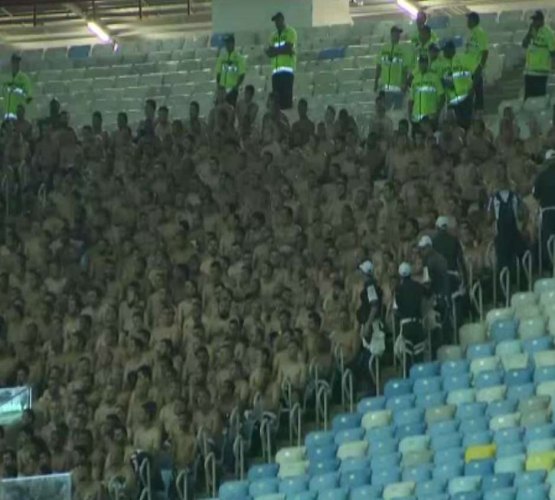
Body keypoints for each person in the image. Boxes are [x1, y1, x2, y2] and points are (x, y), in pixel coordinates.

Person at [488, 169, 526, 283]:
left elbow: (489, 218)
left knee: (504, 263)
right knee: (520, 258)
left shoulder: (493, 199)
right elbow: (521, 214)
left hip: (504, 234)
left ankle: (506, 289)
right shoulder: (514, 196)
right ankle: (522, 284)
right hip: (512, 233)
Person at [394, 262, 427, 375]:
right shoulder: (418, 286)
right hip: (418, 324)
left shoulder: (398, 289)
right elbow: (427, 297)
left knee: (407, 358)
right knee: (419, 358)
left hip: (406, 325)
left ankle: (408, 381)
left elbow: (395, 310)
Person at [418, 235, 450, 350]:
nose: (421, 252)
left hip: (435, 297)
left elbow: (427, 282)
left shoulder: (428, 261)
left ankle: (438, 348)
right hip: (445, 294)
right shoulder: (441, 258)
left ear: (429, 247)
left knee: (435, 325)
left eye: (423, 249)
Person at [266, 12, 297, 110]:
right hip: (275, 72)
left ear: (282, 19)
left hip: (287, 71)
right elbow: (270, 53)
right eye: (275, 21)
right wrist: (282, 50)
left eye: (278, 20)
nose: (276, 23)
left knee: (286, 102)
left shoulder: (290, 32)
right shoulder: (272, 36)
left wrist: (276, 51)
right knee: (277, 103)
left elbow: (288, 48)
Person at [441, 40, 475, 130]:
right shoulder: (443, 64)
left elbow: (473, 75)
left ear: (451, 50)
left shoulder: (463, 59)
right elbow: (444, 80)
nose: (443, 52)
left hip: (465, 98)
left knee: (466, 124)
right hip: (452, 100)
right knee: (454, 126)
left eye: (445, 50)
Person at [522, 10, 555, 99]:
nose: (534, 22)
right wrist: (529, 33)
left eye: (536, 20)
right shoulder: (531, 31)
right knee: (528, 99)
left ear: (542, 20)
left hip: (541, 72)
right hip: (529, 71)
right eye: (533, 20)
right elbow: (524, 44)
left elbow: (553, 52)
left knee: (539, 99)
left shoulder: (548, 33)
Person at [375, 26, 409, 109]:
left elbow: (405, 69)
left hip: (398, 87)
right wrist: (375, 81)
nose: (397, 36)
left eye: (398, 34)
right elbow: (379, 65)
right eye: (396, 33)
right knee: (385, 109)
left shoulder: (403, 50)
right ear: (391, 34)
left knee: (397, 111)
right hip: (385, 87)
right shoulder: (383, 49)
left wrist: (404, 84)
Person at [409, 56, 444, 133]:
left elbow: (442, 96)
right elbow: (411, 99)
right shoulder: (415, 79)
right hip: (416, 118)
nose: (422, 65)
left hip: (430, 118)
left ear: (427, 64)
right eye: (421, 63)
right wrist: (409, 115)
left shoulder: (435, 78)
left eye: (424, 63)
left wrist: (437, 113)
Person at [533, 150, 555, 270]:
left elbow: (536, 195)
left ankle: (549, 267)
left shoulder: (541, 176)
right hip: (548, 210)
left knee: (547, 240)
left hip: (547, 212)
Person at [465, 12, 489, 111]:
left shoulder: (480, 33)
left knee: (477, 94)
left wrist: (480, 67)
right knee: (471, 94)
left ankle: (479, 115)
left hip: (476, 68)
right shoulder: (471, 34)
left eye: (468, 19)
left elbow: (485, 51)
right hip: (469, 68)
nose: (467, 22)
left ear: (473, 20)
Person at [215, 35, 246, 107]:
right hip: (222, 89)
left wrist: (236, 87)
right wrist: (219, 85)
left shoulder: (239, 58)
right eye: (226, 43)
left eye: (229, 43)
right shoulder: (222, 57)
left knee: (230, 109)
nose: (227, 45)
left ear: (233, 43)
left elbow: (242, 74)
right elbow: (218, 73)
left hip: (232, 89)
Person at [2, 53, 32, 120]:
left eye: (18, 62)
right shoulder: (6, 77)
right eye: (14, 62)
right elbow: (2, 95)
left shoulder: (24, 78)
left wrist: (18, 90)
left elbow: (29, 98)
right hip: (7, 114)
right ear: (11, 63)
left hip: (19, 115)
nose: (16, 64)